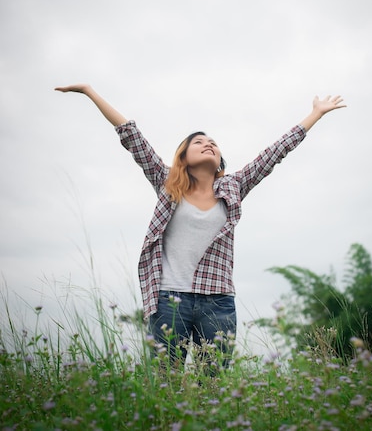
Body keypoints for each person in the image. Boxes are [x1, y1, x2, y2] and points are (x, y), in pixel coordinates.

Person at [55, 84, 346, 368]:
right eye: (198, 142)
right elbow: (131, 136)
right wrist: (90, 91)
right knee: (166, 380)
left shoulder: (234, 186)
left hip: (218, 301)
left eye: (213, 143)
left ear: (219, 160)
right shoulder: (168, 184)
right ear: (183, 157)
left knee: (214, 383)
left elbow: (274, 153)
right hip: (170, 299)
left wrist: (316, 114)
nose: (208, 144)